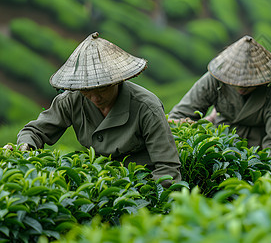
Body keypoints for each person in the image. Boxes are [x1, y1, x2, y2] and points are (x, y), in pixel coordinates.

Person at [9, 32, 181, 186]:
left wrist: (150, 198)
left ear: (116, 80)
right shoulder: (72, 100)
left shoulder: (146, 107)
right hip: (99, 183)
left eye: (102, 89)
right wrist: (25, 146)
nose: (95, 98)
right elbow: (34, 131)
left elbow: (168, 169)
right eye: (87, 91)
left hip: (140, 184)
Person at [168, 35, 271, 169]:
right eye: (236, 83)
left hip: (261, 146)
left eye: (248, 84)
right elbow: (180, 115)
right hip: (223, 141)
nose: (241, 87)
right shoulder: (214, 80)